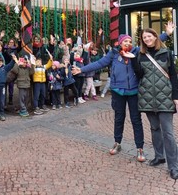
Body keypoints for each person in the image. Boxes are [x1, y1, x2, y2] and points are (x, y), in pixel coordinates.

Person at [72, 27, 173, 162]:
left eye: (129, 41)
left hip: (134, 91)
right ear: (120, 43)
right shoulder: (113, 54)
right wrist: (81, 69)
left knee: (136, 120)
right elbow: (99, 63)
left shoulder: (136, 52)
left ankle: (140, 148)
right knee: (119, 118)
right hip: (118, 91)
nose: (127, 43)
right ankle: (117, 142)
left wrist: (166, 34)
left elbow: (152, 40)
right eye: (125, 41)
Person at [132, 28, 178, 180]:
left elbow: (173, 76)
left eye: (149, 36)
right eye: (144, 37)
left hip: (165, 97)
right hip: (147, 98)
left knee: (168, 133)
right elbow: (139, 75)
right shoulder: (140, 55)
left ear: (155, 36)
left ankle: (174, 166)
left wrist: (175, 97)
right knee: (154, 128)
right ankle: (159, 156)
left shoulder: (166, 53)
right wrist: (133, 61)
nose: (147, 39)